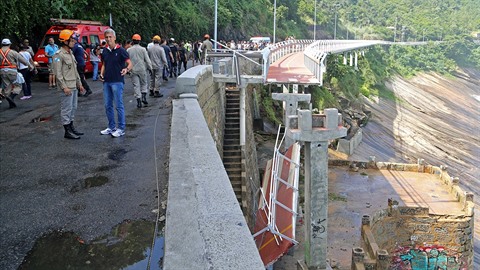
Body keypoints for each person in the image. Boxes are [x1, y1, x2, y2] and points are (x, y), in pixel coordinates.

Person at [52, 29, 86, 139]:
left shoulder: (70, 53)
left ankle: (71, 127)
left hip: (73, 86)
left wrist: (79, 83)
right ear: (65, 41)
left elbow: (75, 70)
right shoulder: (59, 55)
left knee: (73, 108)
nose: (74, 42)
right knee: (66, 109)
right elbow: (58, 73)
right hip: (66, 87)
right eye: (72, 40)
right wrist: (64, 87)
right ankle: (67, 131)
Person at [99, 28, 133, 138]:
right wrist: (101, 73)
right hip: (107, 81)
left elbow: (129, 63)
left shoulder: (121, 50)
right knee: (108, 105)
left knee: (119, 106)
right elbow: (104, 64)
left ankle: (121, 128)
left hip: (117, 81)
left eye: (110, 37)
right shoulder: (104, 51)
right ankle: (111, 127)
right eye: (107, 37)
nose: (108, 39)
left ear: (114, 38)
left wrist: (126, 69)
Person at [0, 38, 33, 108]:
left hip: (2, 72)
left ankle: (10, 102)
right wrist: (29, 65)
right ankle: (12, 96)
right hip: (12, 71)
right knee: (18, 85)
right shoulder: (12, 52)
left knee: (7, 87)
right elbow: (22, 59)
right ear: (9, 44)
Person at [127, 34, 152, 108]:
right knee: (144, 84)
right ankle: (144, 97)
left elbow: (126, 61)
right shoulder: (143, 49)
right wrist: (150, 68)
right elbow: (147, 60)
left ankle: (138, 101)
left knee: (136, 85)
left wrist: (127, 69)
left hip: (133, 70)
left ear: (132, 41)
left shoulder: (128, 50)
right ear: (139, 41)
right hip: (142, 69)